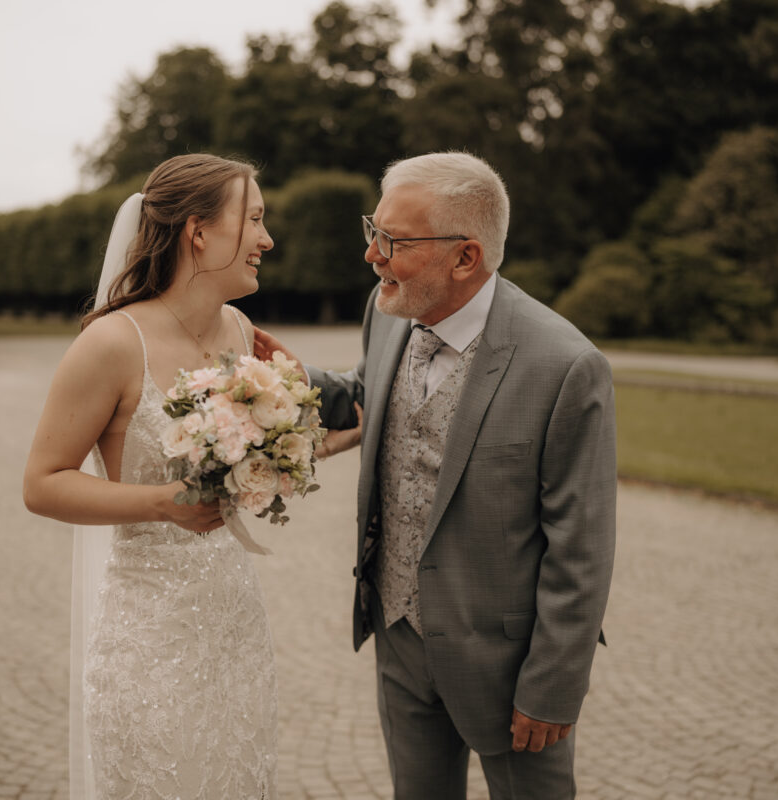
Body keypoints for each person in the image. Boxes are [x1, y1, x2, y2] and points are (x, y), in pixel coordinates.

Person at [256, 151, 616, 799]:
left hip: (506, 662)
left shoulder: (566, 366)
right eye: (374, 230)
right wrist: (285, 381)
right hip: (399, 637)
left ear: (465, 258)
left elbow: (581, 547)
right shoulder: (388, 308)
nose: (372, 255)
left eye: (392, 241)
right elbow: (372, 393)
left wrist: (553, 687)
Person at [23, 154, 277, 799]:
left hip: (236, 626)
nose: (266, 240)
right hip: (151, 630)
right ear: (199, 232)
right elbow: (43, 482)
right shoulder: (112, 343)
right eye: (253, 220)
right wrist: (162, 503)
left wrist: (304, 436)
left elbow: (258, 454)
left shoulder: (243, 334)